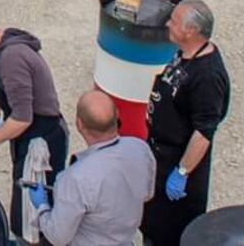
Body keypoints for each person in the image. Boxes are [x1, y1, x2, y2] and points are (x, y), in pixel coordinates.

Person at [0, 6, 69, 241]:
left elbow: (21, 118)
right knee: (24, 209)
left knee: (33, 217)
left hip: (41, 141)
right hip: (29, 136)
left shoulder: (11, 59)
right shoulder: (0, 48)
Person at [142, 0, 231, 246]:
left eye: (174, 21)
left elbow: (204, 131)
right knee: (152, 223)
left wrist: (182, 172)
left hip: (177, 159)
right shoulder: (184, 54)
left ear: (191, 31)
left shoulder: (207, 76)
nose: (168, 24)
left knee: (171, 231)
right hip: (159, 154)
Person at [29, 90, 155, 246]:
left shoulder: (75, 178)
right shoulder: (140, 148)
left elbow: (58, 237)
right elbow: (147, 195)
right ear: (117, 115)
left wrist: (42, 206)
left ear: (79, 125)